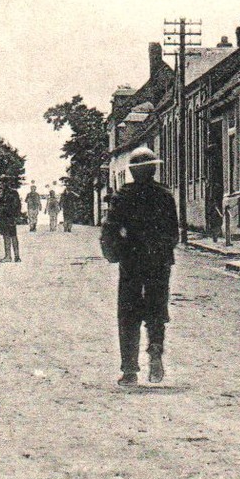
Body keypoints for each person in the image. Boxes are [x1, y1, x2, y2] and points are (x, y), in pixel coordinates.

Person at [100, 146, 180, 385]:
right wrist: (161, 250)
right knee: (157, 310)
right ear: (154, 169)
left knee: (128, 314)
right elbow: (174, 234)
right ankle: (155, 354)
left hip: (131, 262)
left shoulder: (123, 196)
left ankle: (129, 370)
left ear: (133, 173)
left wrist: (115, 253)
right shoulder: (165, 195)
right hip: (159, 263)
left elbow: (110, 230)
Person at [0, 174, 23, 262]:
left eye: (1, 182)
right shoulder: (11, 193)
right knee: (12, 236)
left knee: (7, 236)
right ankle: (16, 256)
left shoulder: (7, 193)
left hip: (6, 217)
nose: (0, 184)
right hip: (7, 217)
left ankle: (9, 256)